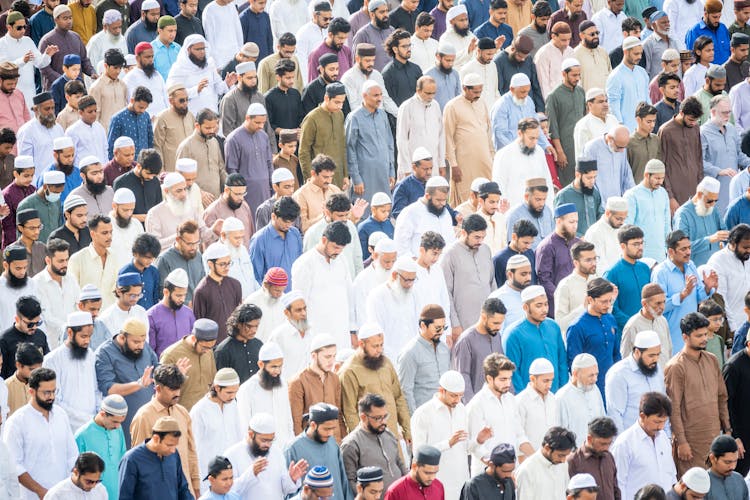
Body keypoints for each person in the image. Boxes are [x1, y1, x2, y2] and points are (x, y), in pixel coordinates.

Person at [666, 312, 731, 476]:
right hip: (691, 441)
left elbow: (721, 397)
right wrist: (681, 442)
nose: (704, 339)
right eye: (699, 335)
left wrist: (728, 430)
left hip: (714, 437)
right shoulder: (676, 367)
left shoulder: (712, 360)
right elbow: (673, 408)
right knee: (693, 488)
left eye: (705, 334)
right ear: (685, 337)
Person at [1, 367, 78, 500]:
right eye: (47, 393)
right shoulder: (17, 422)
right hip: (31, 496)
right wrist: (40, 491)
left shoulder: (61, 415)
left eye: (54, 391)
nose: (52, 397)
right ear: (31, 391)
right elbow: (14, 466)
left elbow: (72, 455)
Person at [338, 323, 411, 441]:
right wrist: (362, 442)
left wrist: (407, 430)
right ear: (361, 344)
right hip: (370, 439)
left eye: (381, 345)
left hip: (392, 436)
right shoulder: (349, 371)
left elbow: (398, 398)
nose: (379, 350)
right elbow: (350, 413)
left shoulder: (386, 363)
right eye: (375, 346)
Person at [465, 353, 533, 475]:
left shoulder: (511, 400)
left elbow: (519, 436)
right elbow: (475, 447)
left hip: (511, 473)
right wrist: (496, 467)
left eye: (509, 378)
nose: (508, 384)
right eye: (503, 379)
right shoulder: (476, 405)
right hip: (486, 475)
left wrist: (537, 459)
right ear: (489, 378)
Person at [94, 317, 157, 446]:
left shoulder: (144, 348)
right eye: (136, 342)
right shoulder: (104, 353)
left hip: (149, 419)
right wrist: (139, 384)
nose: (140, 345)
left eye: (143, 341)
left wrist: (174, 372)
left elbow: (157, 368)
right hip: (122, 422)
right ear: (122, 338)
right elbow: (109, 388)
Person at [653, 230, 717, 350]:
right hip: (672, 337)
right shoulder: (661, 272)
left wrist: (707, 288)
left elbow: (698, 297)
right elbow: (658, 307)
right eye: (683, 249)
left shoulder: (691, 266)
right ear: (671, 251)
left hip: (692, 335)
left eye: (689, 248)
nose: (688, 252)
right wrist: (682, 295)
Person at [222, 412, 306, 498]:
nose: (268, 445)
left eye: (271, 441)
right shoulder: (232, 455)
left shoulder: (276, 452)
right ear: (251, 434)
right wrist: (251, 473)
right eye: (264, 440)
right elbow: (227, 491)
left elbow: (285, 490)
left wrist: (292, 479)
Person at [609, 391, 676, 500]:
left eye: (664, 422)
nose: (661, 427)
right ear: (642, 416)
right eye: (657, 422)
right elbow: (618, 484)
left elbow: (671, 474)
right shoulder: (624, 443)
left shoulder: (663, 438)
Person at [189, 367, 243, 493]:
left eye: (235, 392)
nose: (233, 396)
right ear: (217, 388)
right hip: (209, 474)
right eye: (229, 392)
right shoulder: (199, 410)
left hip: (231, 472)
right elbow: (193, 448)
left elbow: (238, 434)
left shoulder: (233, 404)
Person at [443, 72, 494, 205]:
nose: (478, 95)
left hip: (484, 158)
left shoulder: (481, 102)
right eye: (475, 92)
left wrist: (491, 154)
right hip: (464, 161)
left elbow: (487, 131)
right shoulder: (452, 106)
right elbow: (447, 137)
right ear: (465, 88)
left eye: (480, 91)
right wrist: (453, 165)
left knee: (487, 191)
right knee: (466, 194)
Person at [41, 311, 98, 432]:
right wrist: (86, 420)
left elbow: (96, 390)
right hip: (65, 427)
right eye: (83, 336)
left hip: (92, 426)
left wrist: (97, 417)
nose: (87, 341)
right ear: (70, 333)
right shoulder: (52, 360)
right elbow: (55, 400)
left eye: (89, 336)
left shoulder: (91, 355)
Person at [506, 285, 569, 391]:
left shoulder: (553, 327)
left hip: (555, 396)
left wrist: (563, 391)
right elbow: (513, 373)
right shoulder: (513, 334)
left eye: (546, 304)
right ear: (525, 307)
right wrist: (523, 399)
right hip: (529, 398)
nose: (544, 309)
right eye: (539, 306)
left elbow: (562, 362)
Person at [341, 393, 408, 493]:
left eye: (385, 416)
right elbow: (350, 482)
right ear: (363, 417)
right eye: (378, 418)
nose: (384, 422)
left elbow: (398, 462)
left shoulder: (388, 434)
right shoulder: (351, 444)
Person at [285, 403, 353, 500]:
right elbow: (287, 490)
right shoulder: (293, 448)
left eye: (333, 429)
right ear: (313, 425)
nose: (330, 433)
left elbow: (343, 482)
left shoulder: (332, 443)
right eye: (326, 429)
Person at [566, 278, 621, 398]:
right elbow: (574, 365)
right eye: (603, 302)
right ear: (590, 299)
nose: (608, 305)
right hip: (589, 390)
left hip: (613, 386)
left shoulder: (610, 319)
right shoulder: (577, 327)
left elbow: (616, 354)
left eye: (610, 301)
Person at [346, 80, 395, 213]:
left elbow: (389, 143)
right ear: (364, 96)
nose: (379, 99)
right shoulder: (354, 117)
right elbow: (350, 149)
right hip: (364, 176)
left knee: (383, 210)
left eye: (380, 95)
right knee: (363, 211)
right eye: (375, 95)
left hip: (383, 174)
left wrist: (391, 171)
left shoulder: (383, 115)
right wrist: (356, 178)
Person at [605, 329, 665, 434]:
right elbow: (615, 415)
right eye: (651, 355)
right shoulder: (619, 374)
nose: (655, 359)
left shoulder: (657, 369)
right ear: (637, 352)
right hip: (631, 442)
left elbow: (663, 405)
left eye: (658, 354)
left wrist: (667, 436)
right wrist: (622, 445)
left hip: (657, 438)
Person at [117, 416, 193, 500]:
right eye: (169, 445)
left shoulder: (174, 456)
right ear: (156, 438)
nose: (173, 450)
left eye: (175, 445)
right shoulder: (131, 459)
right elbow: (124, 496)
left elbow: (183, 489)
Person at [397, 304, 451, 412]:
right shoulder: (410, 353)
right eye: (437, 328)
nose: (441, 332)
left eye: (443, 328)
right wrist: (414, 420)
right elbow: (405, 392)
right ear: (423, 326)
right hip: (422, 417)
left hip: (445, 414)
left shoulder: (444, 349)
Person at [73, 394, 128, 499]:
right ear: (102, 414)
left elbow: (122, 460)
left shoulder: (118, 429)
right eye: (115, 421)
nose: (118, 426)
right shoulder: (82, 435)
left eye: (120, 422)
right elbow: (77, 475)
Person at [493, 117, 555, 208]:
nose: (534, 142)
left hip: (538, 211)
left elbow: (547, 181)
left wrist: (550, 208)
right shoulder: (504, 155)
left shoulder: (539, 152)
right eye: (531, 138)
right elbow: (498, 187)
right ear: (520, 133)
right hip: (514, 211)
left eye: (537, 138)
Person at [165, 34, 235, 114]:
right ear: (188, 50)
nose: (202, 52)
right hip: (190, 116)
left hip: (211, 113)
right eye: (198, 49)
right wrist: (195, 90)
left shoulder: (209, 64)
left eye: (203, 48)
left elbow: (218, 88)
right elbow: (172, 94)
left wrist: (227, 84)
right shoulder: (179, 68)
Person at [0, 12, 56, 108]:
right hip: (11, 91)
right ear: (9, 27)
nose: (23, 30)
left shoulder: (28, 41)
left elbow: (40, 64)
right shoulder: (2, 43)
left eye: (24, 27)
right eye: (19, 28)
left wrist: (47, 55)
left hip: (30, 91)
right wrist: (22, 61)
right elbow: (3, 67)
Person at [602, 225, 651, 332]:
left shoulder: (645, 268)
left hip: (648, 328)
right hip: (625, 332)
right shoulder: (612, 273)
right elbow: (612, 308)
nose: (640, 247)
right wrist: (633, 324)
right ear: (623, 246)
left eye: (642, 243)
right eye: (636, 244)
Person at [659, 96, 704, 211]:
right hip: (675, 192)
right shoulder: (666, 131)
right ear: (681, 113)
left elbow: (698, 158)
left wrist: (701, 187)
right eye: (690, 119)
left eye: (696, 120)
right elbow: (661, 164)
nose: (693, 123)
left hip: (695, 191)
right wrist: (670, 197)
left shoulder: (695, 128)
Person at [536, 203, 581, 313]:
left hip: (579, 304)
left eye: (576, 222)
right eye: (571, 222)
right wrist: (562, 298)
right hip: (558, 307)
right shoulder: (546, 247)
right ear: (559, 221)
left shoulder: (579, 244)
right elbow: (544, 280)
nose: (575, 225)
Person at [623, 159, 670, 261]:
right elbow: (627, 227)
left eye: (662, 178)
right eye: (657, 178)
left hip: (661, 254)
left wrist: (668, 249)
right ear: (647, 175)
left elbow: (666, 224)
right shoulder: (632, 195)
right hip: (640, 254)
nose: (660, 182)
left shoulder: (663, 193)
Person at [515, 427, 576, 499]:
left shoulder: (563, 464)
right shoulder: (526, 470)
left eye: (566, 455)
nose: (563, 460)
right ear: (547, 448)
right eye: (560, 455)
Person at [566, 417, 619, 500]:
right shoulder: (573, 461)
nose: (607, 448)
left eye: (609, 444)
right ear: (589, 439)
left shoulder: (609, 457)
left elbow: (615, 489)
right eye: (603, 444)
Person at [621, 283, 672, 367]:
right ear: (644, 304)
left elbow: (669, 350)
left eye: (664, 302)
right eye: (658, 303)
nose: (662, 307)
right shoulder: (632, 326)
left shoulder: (663, 320)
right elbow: (626, 358)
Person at [554, 240, 597, 335]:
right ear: (576, 263)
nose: (594, 263)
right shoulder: (565, 286)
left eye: (595, 258)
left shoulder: (598, 280)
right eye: (588, 260)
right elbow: (559, 324)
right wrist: (583, 308)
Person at [516, 357, 560, 450]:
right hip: (528, 461)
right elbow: (518, 437)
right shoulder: (520, 401)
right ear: (532, 379)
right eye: (545, 381)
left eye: (551, 380)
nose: (549, 385)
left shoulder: (553, 399)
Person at [214, 303, 263, 384]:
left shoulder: (259, 345)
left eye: (256, 326)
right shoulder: (223, 350)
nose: (254, 330)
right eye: (249, 326)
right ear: (238, 324)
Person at [4, 342, 43, 415]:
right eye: (32, 369)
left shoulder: (42, 385)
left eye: (38, 369)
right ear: (18, 365)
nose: (36, 373)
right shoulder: (5, 388)